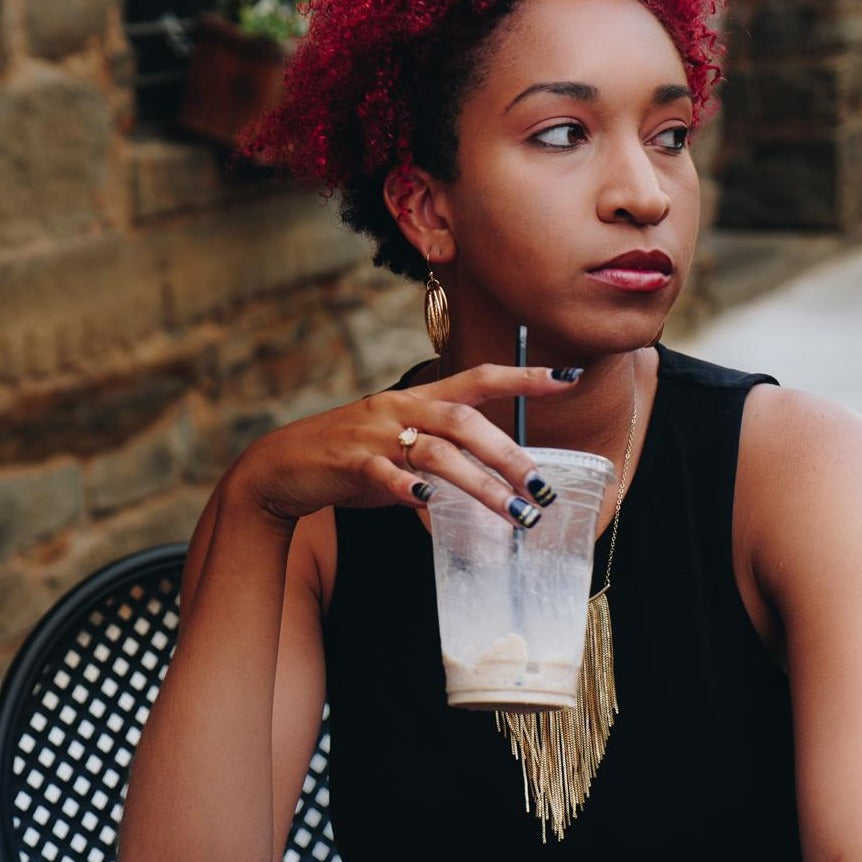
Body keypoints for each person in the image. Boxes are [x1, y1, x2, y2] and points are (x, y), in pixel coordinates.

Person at [119, 0, 862, 859]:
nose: (646, 193)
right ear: (427, 209)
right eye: (560, 133)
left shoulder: (795, 470)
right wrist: (255, 504)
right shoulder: (316, 517)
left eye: (671, 135)